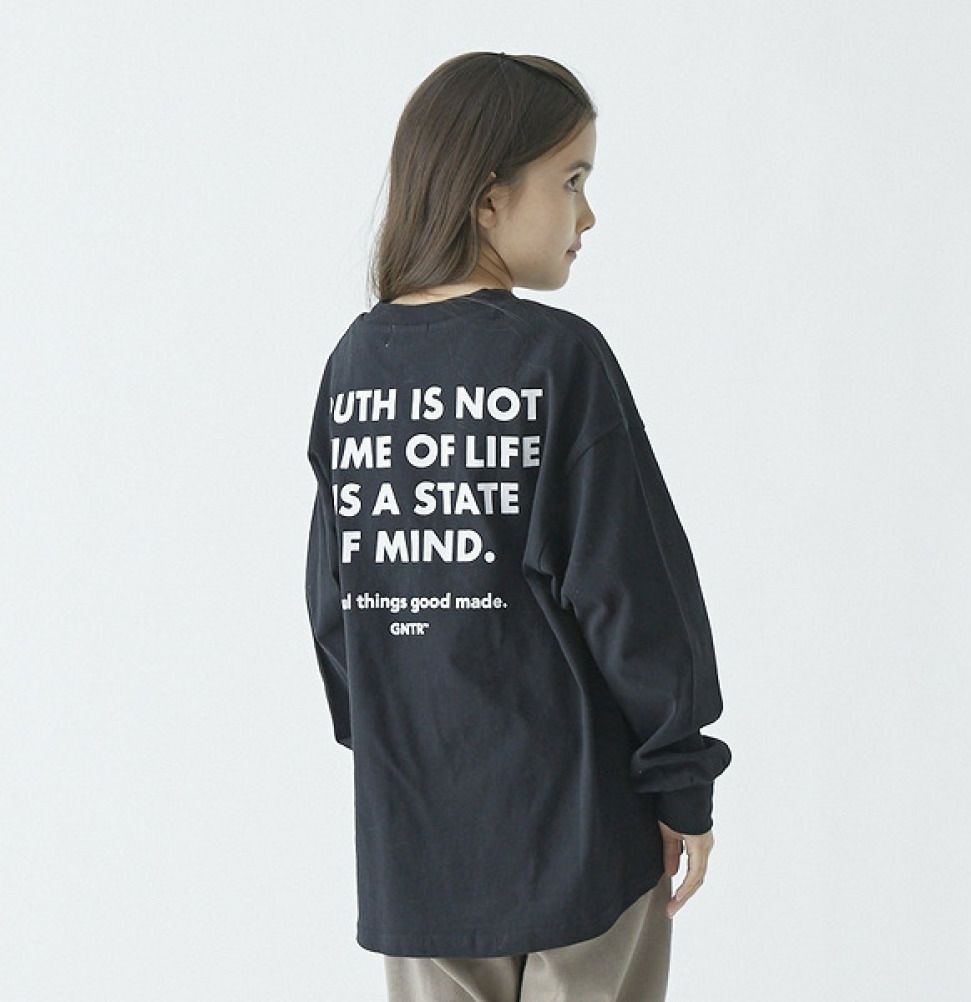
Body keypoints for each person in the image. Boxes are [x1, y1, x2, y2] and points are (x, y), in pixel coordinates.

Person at [305, 51, 732, 1002]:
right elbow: (632, 590)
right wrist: (681, 780)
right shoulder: (557, 361)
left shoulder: (354, 368)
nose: (588, 215)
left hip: (420, 849)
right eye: (572, 180)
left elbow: (339, 614)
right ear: (488, 198)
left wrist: (409, 757)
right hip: (581, 837)